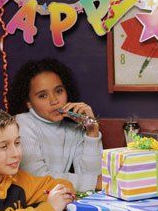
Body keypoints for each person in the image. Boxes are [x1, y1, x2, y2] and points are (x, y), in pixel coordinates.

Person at [8, 58, 102, 192]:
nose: (54, 101)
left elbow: (94, 176)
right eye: (42, 96)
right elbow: (37, 177)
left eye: (58, 91)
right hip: (25, 203)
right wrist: (93, 182)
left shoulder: (74, 130)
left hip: (55, 199)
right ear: (29, 103)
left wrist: (92, 132)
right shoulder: (21, 123)